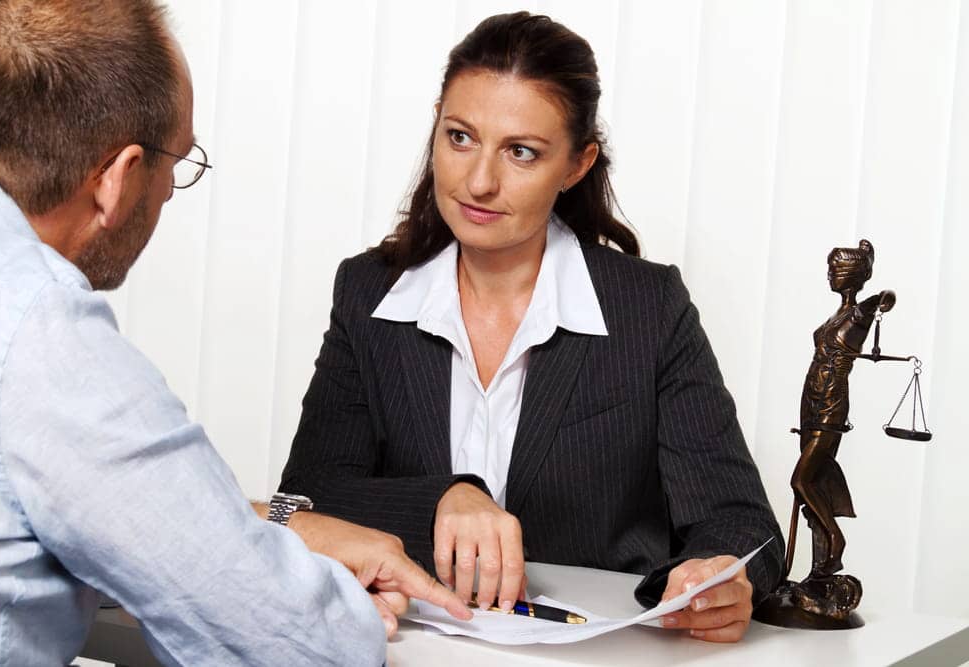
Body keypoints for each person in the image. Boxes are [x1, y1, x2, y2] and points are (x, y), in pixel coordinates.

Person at [0, 1, 468, 665]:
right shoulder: (43, 339)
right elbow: (300, 641)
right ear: (117, 179)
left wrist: (276, 525)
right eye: (175, 161)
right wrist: (319, 594)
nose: (171, 189)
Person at [280, 11, 785, 643]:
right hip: (417, 644)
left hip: (601, 653)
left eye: (521, 152)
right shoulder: (369, 292)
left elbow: (741, 521)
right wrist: (443, 498)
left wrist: (716, 576)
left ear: (576, 165)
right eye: (460, 137)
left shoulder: (647, 308)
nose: (480, 181)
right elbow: (303, 499)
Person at [789, 240, 894, 580]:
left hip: (831, 404)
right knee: (813, 486)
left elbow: (882, 299)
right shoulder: (838, 314)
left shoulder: (859, 313)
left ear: (851, 276)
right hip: (811, 402)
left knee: (801, 480)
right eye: (830, 270)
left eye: (835, 270)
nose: (830, 276)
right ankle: (820, 570)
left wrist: (884, 299)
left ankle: (836, 538)